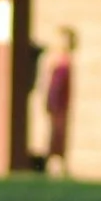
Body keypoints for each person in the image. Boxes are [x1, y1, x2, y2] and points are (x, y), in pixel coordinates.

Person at [42, 26, 76, 175]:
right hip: (58, 104)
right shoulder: (60, 62)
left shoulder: (65, 61)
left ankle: (60, 164)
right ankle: (49, 163)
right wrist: (52, 102)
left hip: (62, 104)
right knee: (56, 134)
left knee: (60, 134)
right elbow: (55, 85)